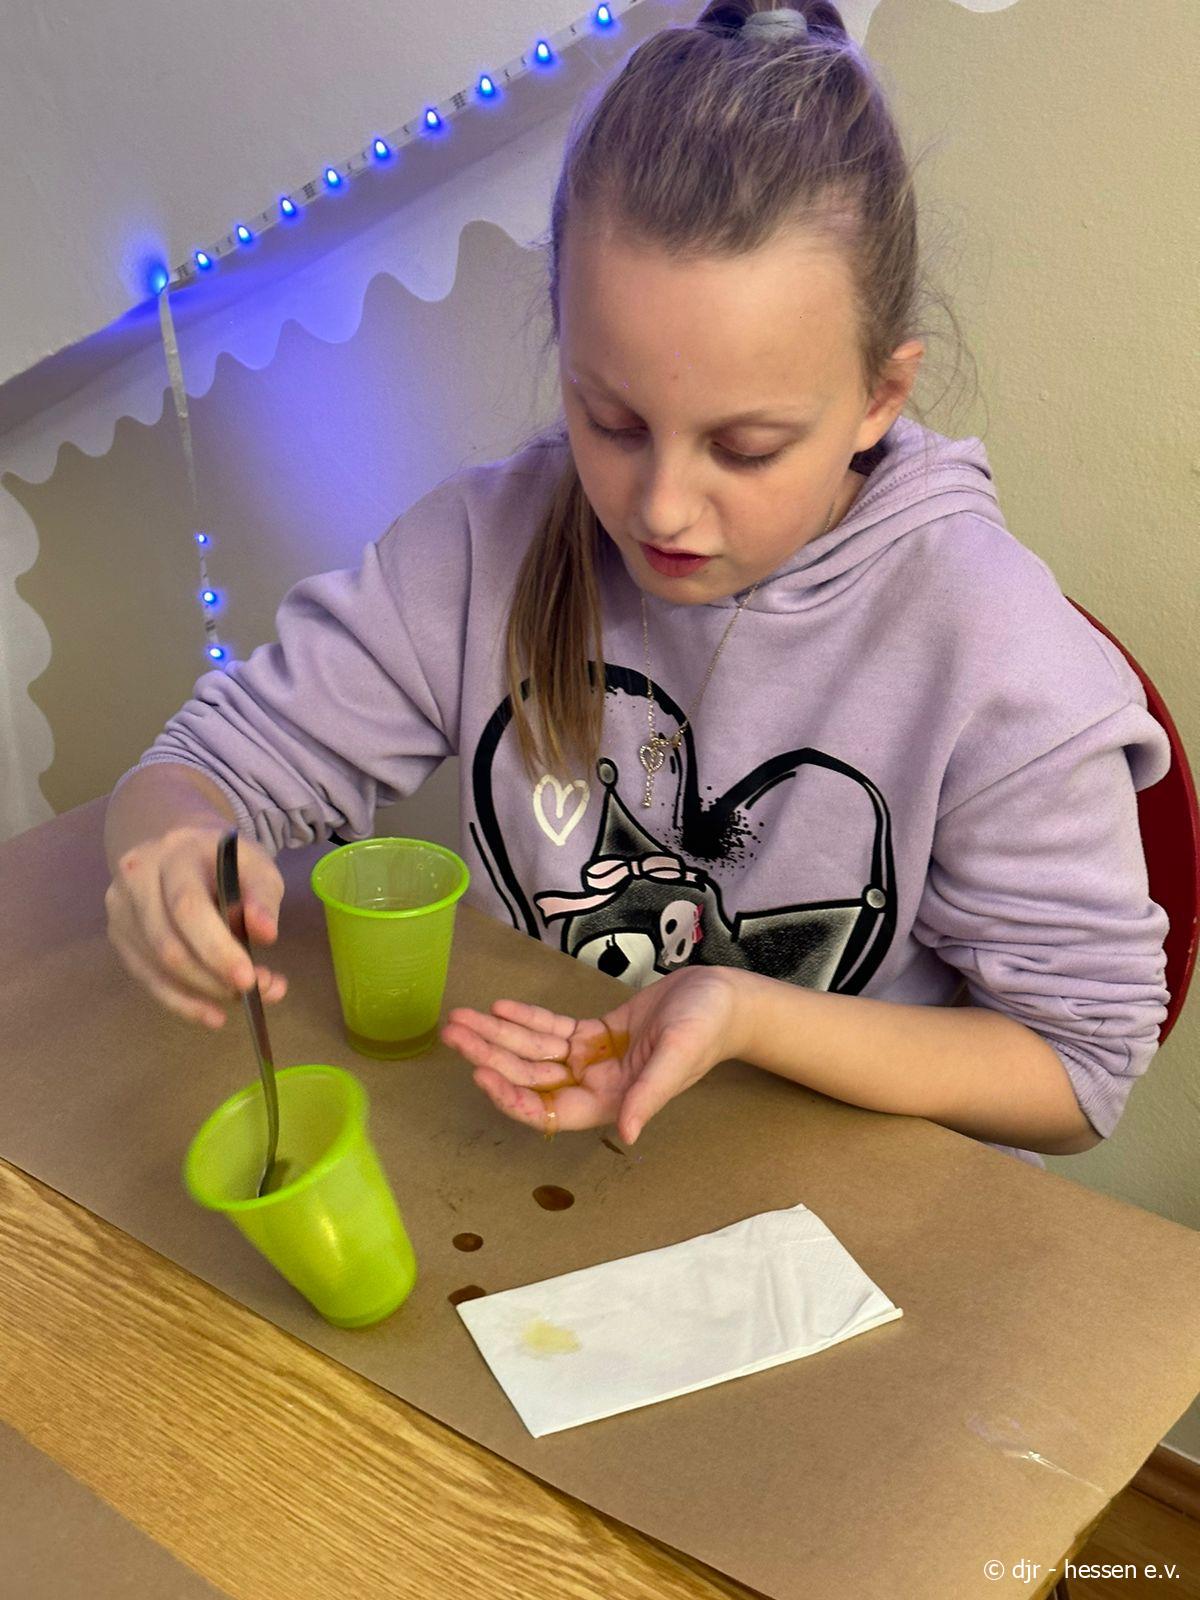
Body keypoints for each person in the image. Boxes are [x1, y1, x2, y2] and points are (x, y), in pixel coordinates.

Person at [104, 1, 1171, 1171]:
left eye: (746, 447)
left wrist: (747, 1012)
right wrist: (176, 848)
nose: (660, 507)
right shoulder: (484, 546)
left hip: (850, 1220)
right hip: (544, 1167)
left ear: (880, 396)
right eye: (610, 420)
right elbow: (205, 769)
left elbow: (1079, 1070)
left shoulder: (993, 648)